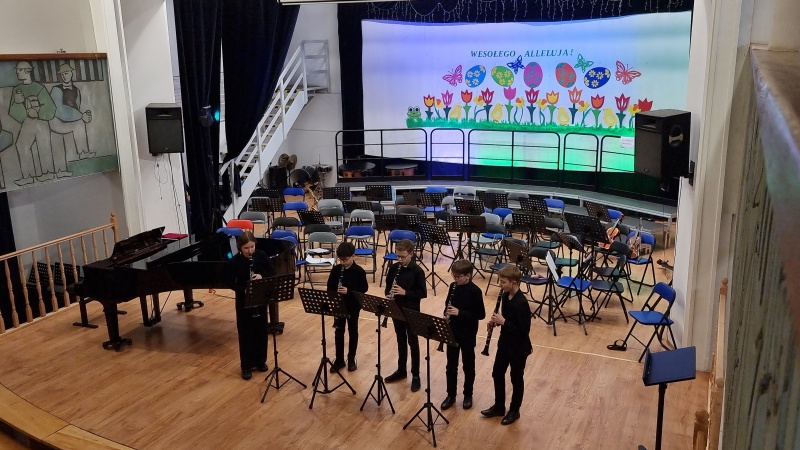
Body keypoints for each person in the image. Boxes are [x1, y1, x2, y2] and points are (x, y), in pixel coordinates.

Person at [480, 265, 532, 425]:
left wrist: (504, 322)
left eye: (503, 282)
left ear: (514, 283)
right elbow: (507, 320)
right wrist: (496, 322)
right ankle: (499, 407)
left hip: (519, 347)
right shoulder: (505, 296)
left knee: (516, 378)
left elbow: (524, 330)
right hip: (505, 343)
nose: (500, 285)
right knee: (497, 373)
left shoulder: (522, 303)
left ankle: (514, 410)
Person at [225, 231, 274, 380]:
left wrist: (262, 276)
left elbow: (272, 272)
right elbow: (229, 282)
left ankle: (260, 361)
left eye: (252, 246)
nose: (250, 250)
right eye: (246, 248)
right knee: (245, 332)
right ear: (240, 248)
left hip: (260, 298)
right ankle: (246, 365)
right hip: (243, 300)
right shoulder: (234, 262)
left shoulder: (261, 256)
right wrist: (244, 289)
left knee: (261, 330)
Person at [440, 260, 486, 411]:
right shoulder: (453, 286)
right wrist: (446, 313)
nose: (455, 279)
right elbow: (447, 304)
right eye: (454, 276)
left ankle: (468, 395)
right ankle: (451, 395)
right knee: (451, 365)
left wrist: (460, 313)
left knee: (468, 365)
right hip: (453, 331)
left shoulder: (475, 291)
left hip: (468, 332)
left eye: (458, 277)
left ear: (468, 275)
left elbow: (480, 314)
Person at [383, 238, 427, 392]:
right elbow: (388, 286)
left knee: (413, 342)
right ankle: (401, 370)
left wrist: (405, 292)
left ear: (411, 254)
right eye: (398, 256)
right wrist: (388, 294)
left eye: (402, 256)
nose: (399, 259)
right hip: (397, 309)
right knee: (400, 339)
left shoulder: (417, 271)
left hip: (411, 310)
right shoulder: (394, 268)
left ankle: (416, 375)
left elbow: (422, 293)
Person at [9, 61, 56, 185]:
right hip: (27, 123)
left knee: (44, 146)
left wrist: (38, 112)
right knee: (21, 145)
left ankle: (48, 173)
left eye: (19, 70)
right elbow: (13, 112)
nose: (17, 72)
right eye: (17, 70)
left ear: (27, 71)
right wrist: (18, 103)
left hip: (41, 122)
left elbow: (51, 108)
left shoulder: (39, 88)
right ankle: (27, 176)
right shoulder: (17, 89)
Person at [326, 242, 369, 372]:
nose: (343, 262)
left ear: (353, 256)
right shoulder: (336, 270)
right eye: (341, 259)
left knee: (352, 330)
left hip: (353, 305)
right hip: (339, 304)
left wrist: (349, 291)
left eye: (345, 259)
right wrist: (334, 294)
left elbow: (364, 289)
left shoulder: (359, 271)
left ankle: (351, 359)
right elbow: (330, 286)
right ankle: (339, 360)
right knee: (339, 331)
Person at [50, 62, 95, 171]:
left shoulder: (77, 91)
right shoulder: (56, 89)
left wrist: (84, 116)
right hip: (57, 122)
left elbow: (76, 109)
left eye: (66, 73)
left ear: (71, 73)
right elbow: (59, 110)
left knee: (80, 123)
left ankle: (83, 153)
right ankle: (83, 153)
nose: (64, 76)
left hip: (70, 122)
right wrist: (81, 116)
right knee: (79, 122)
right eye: (62, 74)